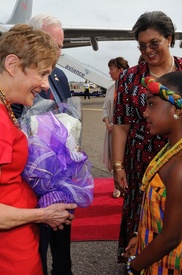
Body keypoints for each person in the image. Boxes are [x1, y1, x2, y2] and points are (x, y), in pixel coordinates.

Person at [112, 10, 182, 263]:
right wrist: (118, 165)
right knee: (145, 207)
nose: (148, 50)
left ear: (169, 38)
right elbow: (121, 125)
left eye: (155, 43)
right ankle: (141, 255)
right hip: (143, 158)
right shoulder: (130, 77)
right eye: (142, 45)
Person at [122, 70, 182, 274]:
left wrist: (134, 265)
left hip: (179, 262)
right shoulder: (173, 149)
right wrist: (139, 236)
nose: (145, 112)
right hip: (165, 254)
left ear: (178, 110)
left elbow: (171, 237)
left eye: (151, 104)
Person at [0, 23, 76, 275]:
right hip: (9, 255)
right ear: (12, 65)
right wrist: (43, 214)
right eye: (42, 73)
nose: (46, 85)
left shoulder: (5, 107)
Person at [26, 13, 73, 275]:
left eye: (61, 46)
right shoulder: (16, 78)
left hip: (61, 177)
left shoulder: (60, 77)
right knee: (37, 243)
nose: (58, 51)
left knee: (62, 239)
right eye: (52, 44)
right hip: (32, 178)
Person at [102, 57, 129, 198]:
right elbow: (105, 108)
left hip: (126, 129)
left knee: (126, 157)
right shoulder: (110, 88)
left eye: (111, 69)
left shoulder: (130, 87)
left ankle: (127, 184)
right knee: (115, 158)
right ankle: (117, 185)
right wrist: (107, 122)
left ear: (120, 70)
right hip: (112, 129)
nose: (109, 72)